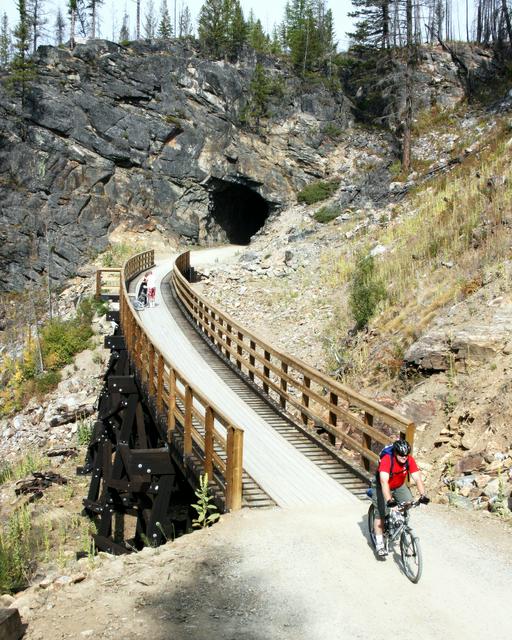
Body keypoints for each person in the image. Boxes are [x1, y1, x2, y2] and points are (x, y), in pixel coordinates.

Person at [371, 438, 429, 558]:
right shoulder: (388, 460)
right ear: (396, 453)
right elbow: (383, 481)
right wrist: (389, 501)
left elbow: (417, 478)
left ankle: (397, 522)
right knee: (381, 514)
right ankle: (380, 543)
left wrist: (423, 495)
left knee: (409, 502)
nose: (404, 457)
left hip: (398, 485)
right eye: (401, 455)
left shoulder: (408, 459)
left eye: (406, 455)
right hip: (382, 486)